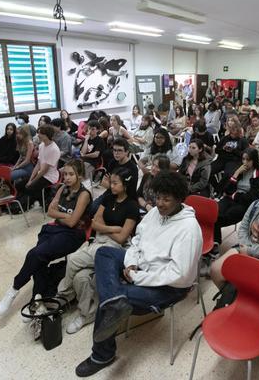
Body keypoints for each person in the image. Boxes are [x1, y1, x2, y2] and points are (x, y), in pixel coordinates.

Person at [74, 171, 202, 377]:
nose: (159, 203)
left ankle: (102, 355)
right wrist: (132, 262)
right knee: (105, 253)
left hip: (169, 287)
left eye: (166, 199)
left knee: (109, 305)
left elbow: (180, 275)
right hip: (141, 269)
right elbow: (137, 241)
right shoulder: (154, 214)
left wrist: (137, 277)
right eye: (157, 197)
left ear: (179, 199)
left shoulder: (188, 229)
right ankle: (113, 299)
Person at [0, 159, 92, 317]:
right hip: (54, 229)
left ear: (79, 176)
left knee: (35, 254)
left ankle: (14, 289)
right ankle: (37, 298)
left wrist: (62, 216)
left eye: (71, 174)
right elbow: (50, 212)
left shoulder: (84, 194)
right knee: (40, 259)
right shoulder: (62, 188)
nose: (66, 178)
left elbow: (73, 222)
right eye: (65, 174)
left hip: (73, 234)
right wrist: (66, 215)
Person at [56, 166, 140, 334]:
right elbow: (94, 224)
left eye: (115, 183)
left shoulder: (132, 206)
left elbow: (123, 238)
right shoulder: (109, 198)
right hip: (101, 240)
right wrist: (115, 228)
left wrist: (106, 228)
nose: (111, 185)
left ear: (125, 185)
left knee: (72, 259)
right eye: (111, 182)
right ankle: (87, 314)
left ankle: (63, 295)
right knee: (81, 278)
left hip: (115, 248)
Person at [213, 148, 259, 249]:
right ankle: (215, 242)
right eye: (243, 159)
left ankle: (215, 243)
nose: (245, 162)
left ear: (254, 160)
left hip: (244, 204)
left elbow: (252, 198)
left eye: (248, 160)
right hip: (231, 199)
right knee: (214, 213)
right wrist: (236, 174)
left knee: (221, 218)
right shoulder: (240, 170)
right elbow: (227, 190)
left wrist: (234, 195)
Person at [90, 138, 139, 216]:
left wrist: (110, 184)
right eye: (114, 150)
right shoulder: (113, 162)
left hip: (125, 198)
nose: (116, 153)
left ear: (126, 152)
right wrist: (114, 185)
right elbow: (104, 182)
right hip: (109, 194)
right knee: (91, 209)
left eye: (119, 150)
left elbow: (129, 190)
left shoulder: (132, 168)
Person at [16, 125, 60, 209]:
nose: (38, 135)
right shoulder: (41, 145)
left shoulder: (54, 149)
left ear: (47, 135)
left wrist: (32, 181)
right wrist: (30, 179)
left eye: (40, 133)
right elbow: (38, 164)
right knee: (19, 185)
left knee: (30, 187)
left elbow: (44, 170)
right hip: (41, 174)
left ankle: (38, 201)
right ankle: (29, 202)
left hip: (49, 177)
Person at [210, 118, 248, 194]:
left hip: (234, 160)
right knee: (207, 170)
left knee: (228, 174)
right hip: (222, 159)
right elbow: (217, 150)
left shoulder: (242, 140)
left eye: (235, 131)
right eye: (231, 131)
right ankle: (217, 188)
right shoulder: (225, 138)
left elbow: (244, 155)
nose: (233, 133)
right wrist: (223, 148)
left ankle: (219, 192)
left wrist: (233, 150)